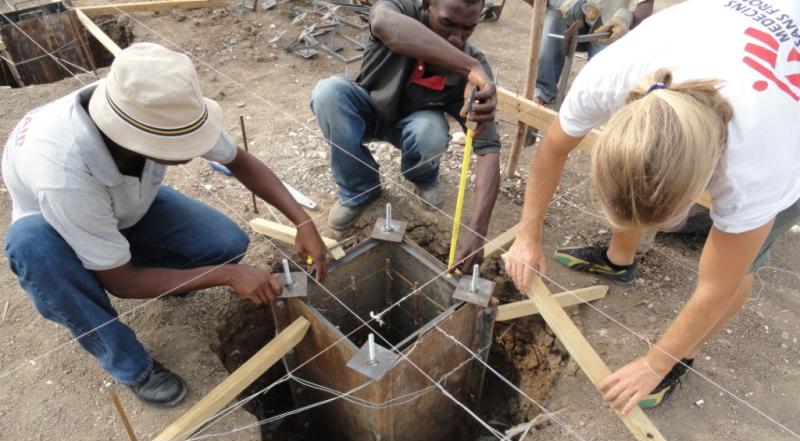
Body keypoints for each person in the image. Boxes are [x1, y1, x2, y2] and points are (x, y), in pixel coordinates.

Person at [505, 0, 800, 414]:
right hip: (750, 30)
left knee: (741, 267)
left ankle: (684, 356)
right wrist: (525, 234)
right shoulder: (611, 75)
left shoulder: (758, 169)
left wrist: (654, 361)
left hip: (785, 111)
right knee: (641, 186)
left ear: (705, 179)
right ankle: (617, 260)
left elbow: (719, 285)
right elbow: (553, 147)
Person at [2, 43, 328, 407]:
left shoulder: (157, 107)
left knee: (226, 242)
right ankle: (132, 367)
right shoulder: (63, 173)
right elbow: (120, 283)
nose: (191, 151)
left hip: (125, 208)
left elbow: (239, 162)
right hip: (56, 228)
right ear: (139, 141)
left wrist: (303, 221)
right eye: (180, 145)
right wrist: (227, 275)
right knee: (32, 246)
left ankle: (143, 267)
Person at [311, 0, 501, 271]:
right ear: (427, 5)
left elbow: (489, 148)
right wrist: (467, 65)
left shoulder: (476, 73)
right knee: (328, 93)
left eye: (468, 28)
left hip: (412, 127)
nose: (457, 37)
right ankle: (359, 189)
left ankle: (423, 178)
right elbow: (382, 23)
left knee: (431, 130)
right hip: (369, 110)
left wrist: (478, 232)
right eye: (447, 23)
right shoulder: (401, 11)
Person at [534, 0, 654, 108]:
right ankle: (544, 93)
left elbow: (645, 6)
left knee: (598, 89)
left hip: (608, 26)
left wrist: (626, 18)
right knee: (554, 17)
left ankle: (581, 109)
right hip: (569, 17)